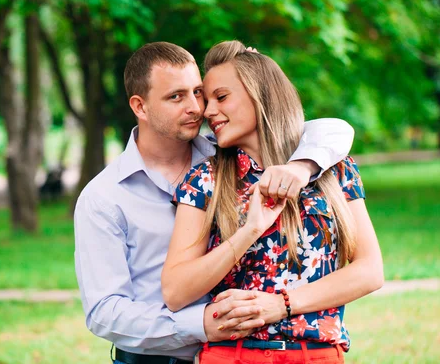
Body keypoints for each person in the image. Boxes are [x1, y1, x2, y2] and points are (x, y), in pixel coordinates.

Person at [74, 41, 356, 364]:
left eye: (198, 92)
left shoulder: (227, 158)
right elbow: (104, 312)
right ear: (140, 107)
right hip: (154, 356)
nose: (197, 107)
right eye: (176, 97)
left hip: (232, 351)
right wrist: (199, 325)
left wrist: (302, 166)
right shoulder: (104, 198)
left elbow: (330, 131)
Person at [161, 41, 384, 363]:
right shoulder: (205, 180)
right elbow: (175, 291)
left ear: (260, 93)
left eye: (221, 97)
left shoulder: (333, 168)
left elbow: (370, 271)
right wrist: (248, 231)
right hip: (232, 354)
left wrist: (282, 304)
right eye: (206, 101)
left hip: (316, 355)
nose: (208, 111)